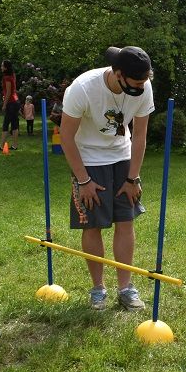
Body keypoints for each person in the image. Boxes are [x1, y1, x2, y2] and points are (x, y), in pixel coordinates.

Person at [60, 46, 154, 310]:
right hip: (88, 158)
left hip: (122, 156)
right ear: (118, 74)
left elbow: (140, 136)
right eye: (135, 83)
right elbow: (66, 137)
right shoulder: (83, 88)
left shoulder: (144, 86)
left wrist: (132, 178)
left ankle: (126, 288)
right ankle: (98, 289)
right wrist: (83, 180)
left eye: (144, 82)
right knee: (94, 224)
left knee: (126, 220)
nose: (141, 87)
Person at [0, 59, 19, 151]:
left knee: (6, 124)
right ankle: (14, 145)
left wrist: (4, 105)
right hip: (15, 101)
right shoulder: (12, 75)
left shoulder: (6, 78)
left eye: (2, 66)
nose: (1, 67)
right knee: (14, 124)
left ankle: (1, 146)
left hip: (11, 103)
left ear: (6, 67)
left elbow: (9, 92)